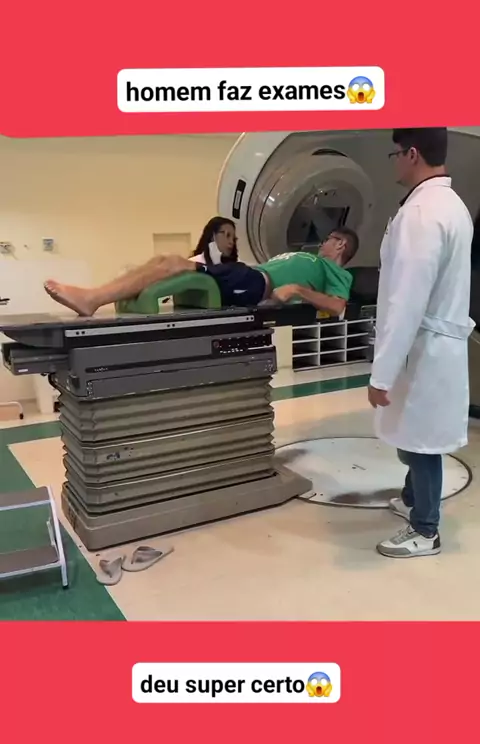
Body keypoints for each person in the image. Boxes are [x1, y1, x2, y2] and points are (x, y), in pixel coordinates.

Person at [369, 127, 474, 559]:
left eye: (395, 153)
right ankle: (413, 499)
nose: (393, 162)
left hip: (424, 346)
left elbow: (406, 300)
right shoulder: (451, 205)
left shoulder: (422, 213)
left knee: (421, 442)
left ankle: (425, 529)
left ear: (412, 154)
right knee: (415, 434)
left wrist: (381, 374)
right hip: (433, 344)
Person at [44, 226, 359, 317]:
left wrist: (299, 290)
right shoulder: (310, 258)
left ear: (341, 245)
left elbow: (338, 306)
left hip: (252, 284)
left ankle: (92, 298)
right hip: (246, 276)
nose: (323, 243)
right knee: (165, 260)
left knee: (172, 263)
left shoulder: (336, 272)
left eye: (329, 239)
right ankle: (94, 296)